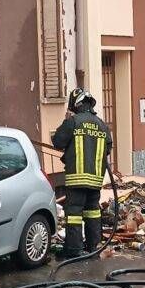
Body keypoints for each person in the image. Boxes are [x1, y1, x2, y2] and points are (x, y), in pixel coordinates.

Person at [52, 88, 113, 258]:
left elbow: (57, 141)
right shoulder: (102, 124)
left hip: (76, 179)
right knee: (93, 212)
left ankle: (74, 250)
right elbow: (108, 147)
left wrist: (66, 121)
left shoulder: (73, 122)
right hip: (95, 179)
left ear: (76, 104)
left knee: (74, 214)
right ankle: (93, 248)